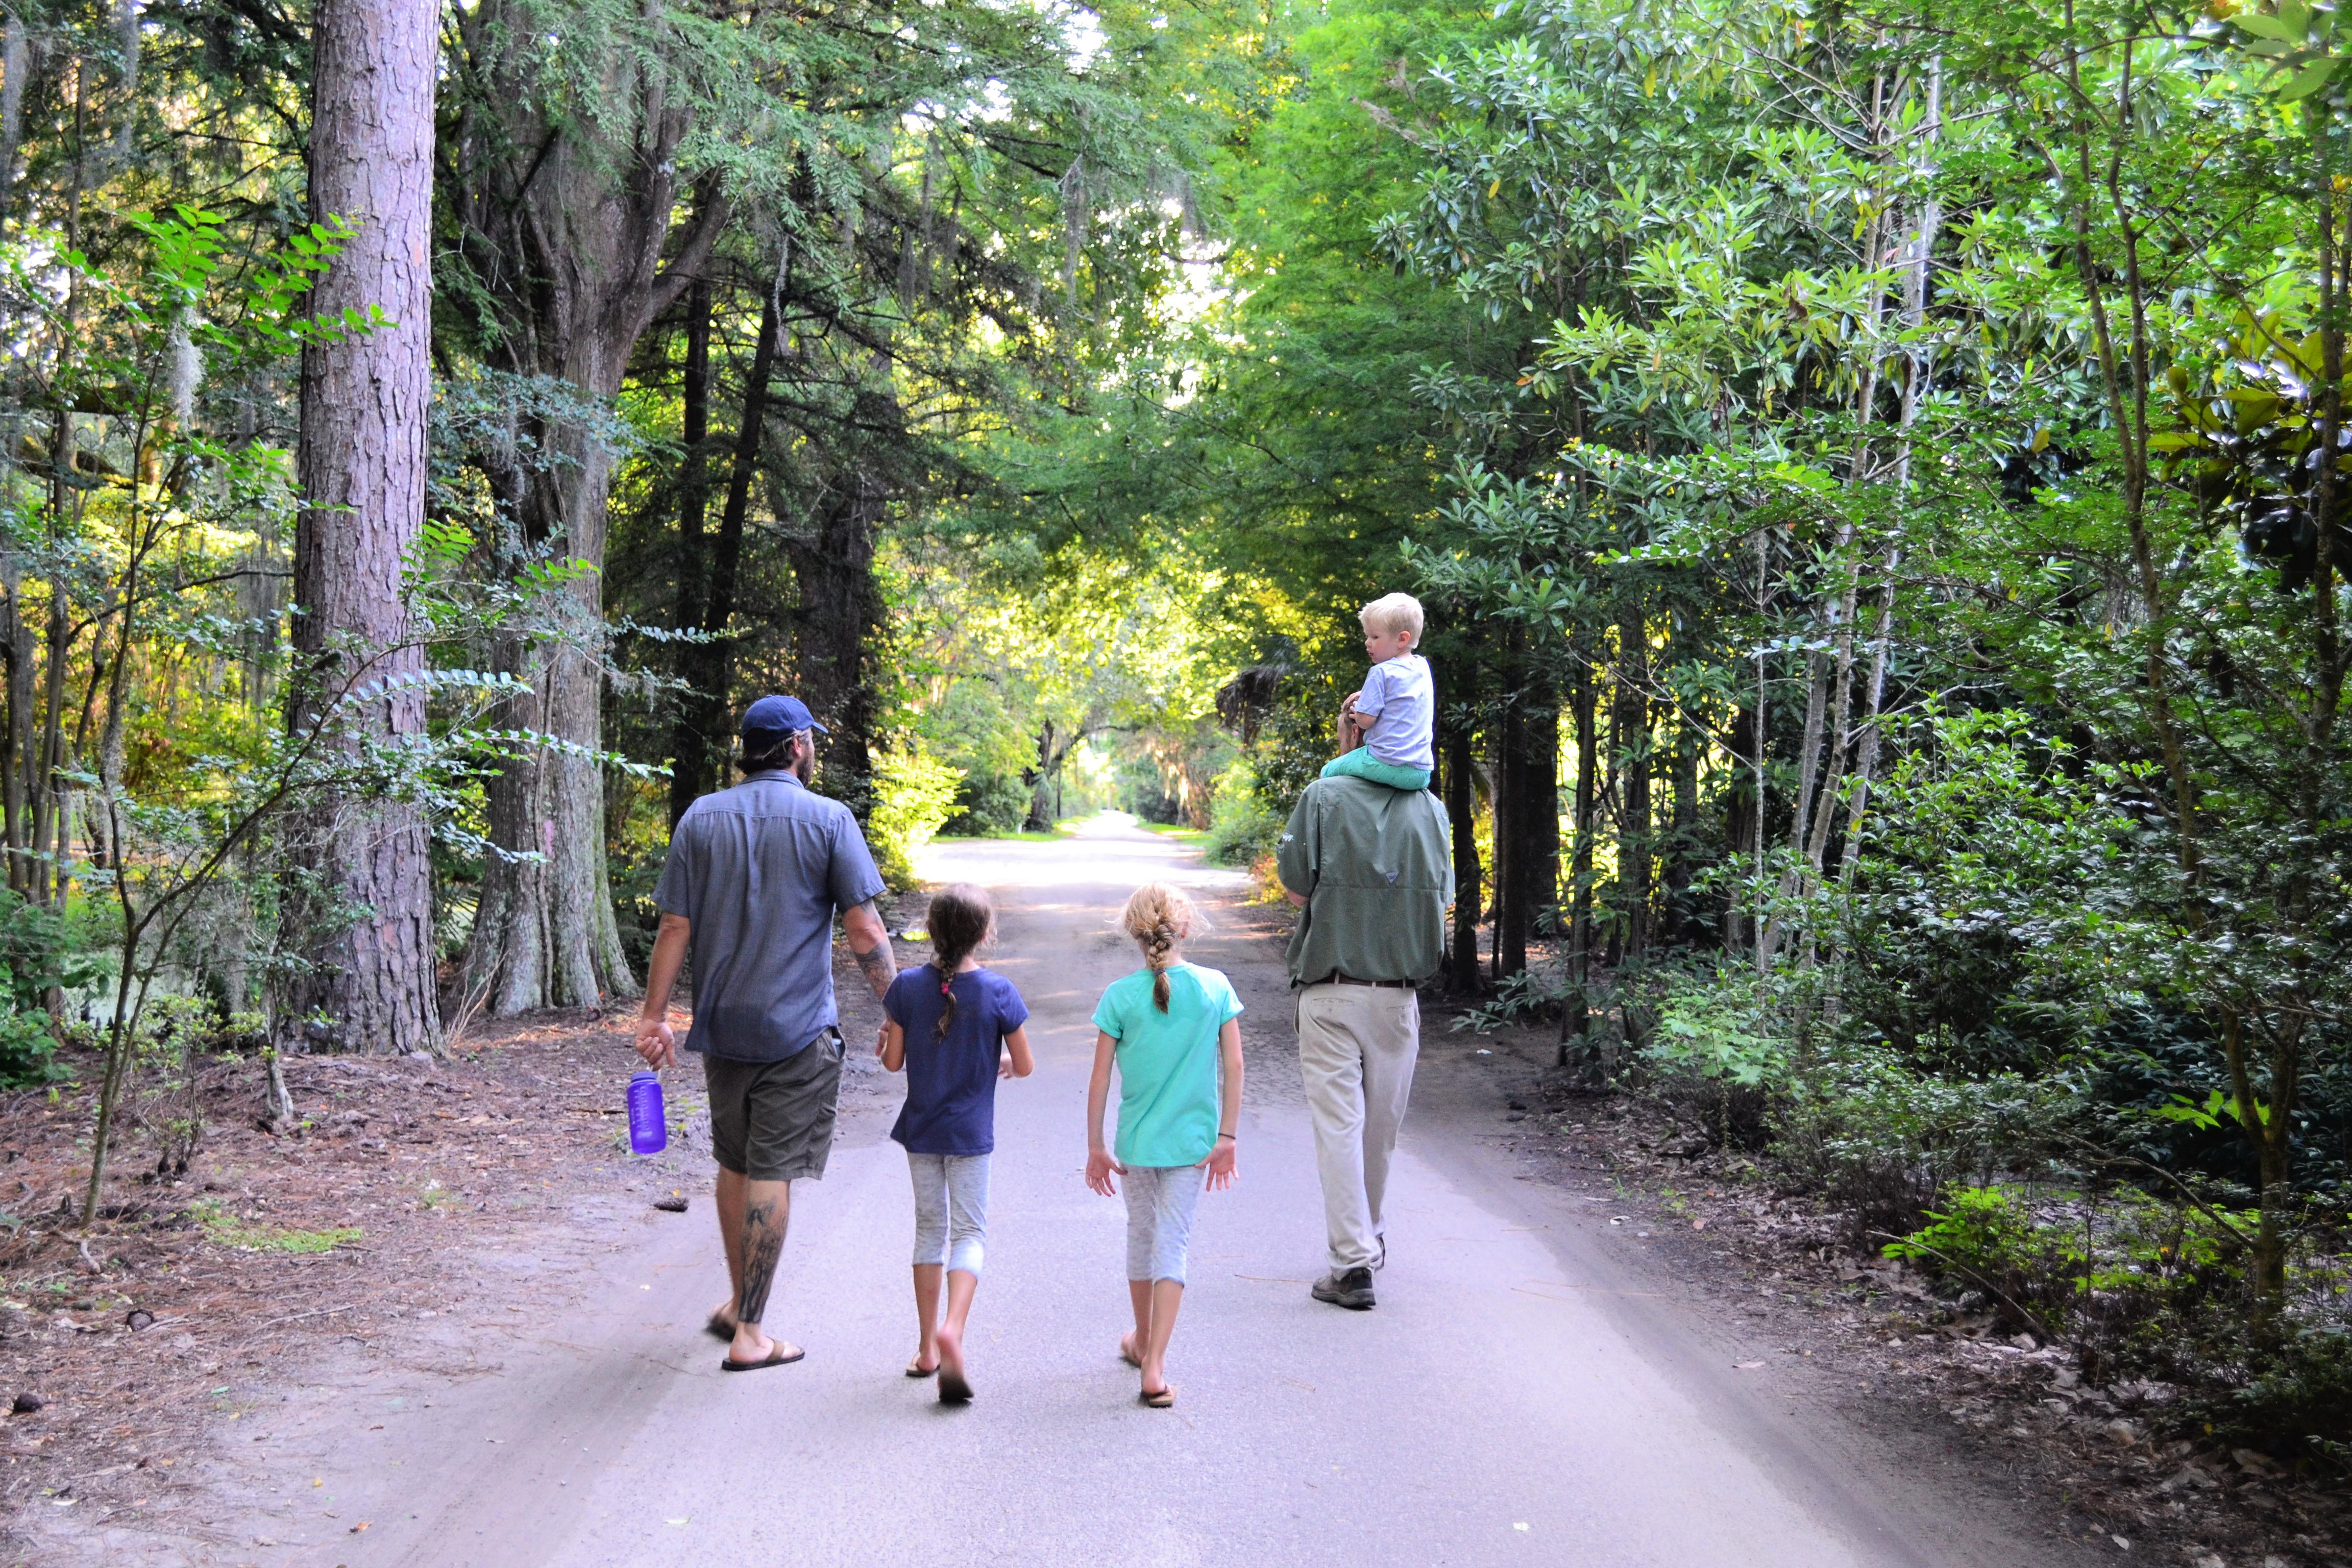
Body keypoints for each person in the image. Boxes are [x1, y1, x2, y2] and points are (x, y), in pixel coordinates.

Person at [634, 695, 897, 1373]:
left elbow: (675, 927)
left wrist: (654, 1016)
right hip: (797, 1030)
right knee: (770, 1173)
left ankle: (735, 1305)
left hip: (723, 1029)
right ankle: (752, 1332)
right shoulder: (830, 820)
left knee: (737, 1163)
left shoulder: (701, 817)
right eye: (812, 740)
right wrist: (901, 1008)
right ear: (798, 746)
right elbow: (865, 930)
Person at [1276, 747, 1451, 1311]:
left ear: (1354, 735)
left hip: (1331, 985)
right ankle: (1364, 1241)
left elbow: (1297, 887)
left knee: (1340, 1128)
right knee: (1380, 1129)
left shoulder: (1322, 797)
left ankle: (1353, 1262)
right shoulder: (1432, 809)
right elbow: (1442, 897)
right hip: (1399, 994)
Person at [1083, 884, 1243, 1410]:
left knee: (1141, 1235)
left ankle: (1143, 1338)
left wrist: (1096, 1148)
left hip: (1135, 1145)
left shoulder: (1119, 996)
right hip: (1193, 1145)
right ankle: (1154, 1364)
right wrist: (1227, 1138)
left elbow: (1100, 1080)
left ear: (1135, 934)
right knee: (1172, 1244)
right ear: (1187, 928)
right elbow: (1235, 1067)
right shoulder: (1215, 987)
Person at [878, 884, 1034, 1404]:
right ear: (985, 935)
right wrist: (1003, 1060)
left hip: (921, 1132)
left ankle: (926, 1349)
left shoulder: (905, 988)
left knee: (929, 1231)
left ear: (932, 930)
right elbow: (1025, 1064)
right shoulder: (999, 992)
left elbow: (894, 1063)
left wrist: (890, 1035)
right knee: (970, 1232)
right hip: (971, 1136)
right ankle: (954, 1329)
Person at [1325, 592, 1434, 792]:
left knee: (1329, 772)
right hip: (1422, 771)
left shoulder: (1380, 672)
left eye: (1375, 636)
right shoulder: (1422, 668)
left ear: (1402, 639)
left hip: (1387, 764)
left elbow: (1365, 721)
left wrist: (1359, 711)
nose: (1368, 642)